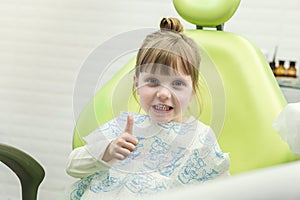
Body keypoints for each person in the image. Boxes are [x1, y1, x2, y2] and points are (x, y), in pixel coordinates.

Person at [65, 17, 230, 200]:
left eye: (177, 84)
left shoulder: (201, 138)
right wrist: (108, 151)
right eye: (152, 81)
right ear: (137, 83)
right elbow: (72, 166)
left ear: (193, 91)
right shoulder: (125, 129)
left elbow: (222, 188)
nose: (164, 94)